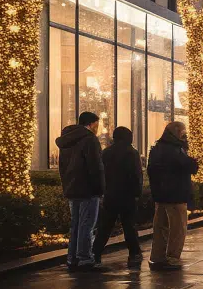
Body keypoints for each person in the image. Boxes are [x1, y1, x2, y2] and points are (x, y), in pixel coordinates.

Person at [57, 111, 106, 271]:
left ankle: (72, 258)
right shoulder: (90, 139)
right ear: (92, 124)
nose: (98, 129)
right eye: (97, 125)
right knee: (87, 224)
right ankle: (84, 258)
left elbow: (62, 167)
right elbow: (96, 167)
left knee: (76, 224)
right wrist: (100, 189)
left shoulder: (67, 140)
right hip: (88, 189)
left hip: (72, 188)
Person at [147, 120, 199, 269]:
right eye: (183, 132)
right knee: (178, 228)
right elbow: (191, 166)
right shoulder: (175, 149)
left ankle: (157, 257)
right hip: (176, 195)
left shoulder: (157, 149)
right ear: (177, 133)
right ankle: (172, 257)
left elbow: (151, 171)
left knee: (160, 227)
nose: (185, 134)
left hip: (161, 195)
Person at [93, 126, 143, 265]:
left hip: (111, 194)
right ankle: (134, 253)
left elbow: (101, 173)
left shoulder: (106, 152)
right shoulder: (131, 153)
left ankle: (95, 253)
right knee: (129, 226)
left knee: (105, 227)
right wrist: (137, 192)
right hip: (127, 195)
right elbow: (136, 175)